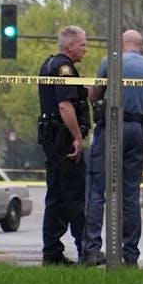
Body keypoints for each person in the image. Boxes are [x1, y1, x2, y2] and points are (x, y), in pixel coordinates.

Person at [80, 30, 143, 267]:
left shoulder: (110, 62)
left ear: (122, 44)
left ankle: (91, 250)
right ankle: (130, 254)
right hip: (137, 129)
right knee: (130, 193)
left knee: (96, 189)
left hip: (111, 128)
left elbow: (94, 95)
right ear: (140, 46)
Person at [37, 25, 90, 265]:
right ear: (70, 46)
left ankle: (52, 253)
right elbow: (65, 105)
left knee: (56, 196)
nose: (85, 50)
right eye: (82, 45)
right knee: (75, 196)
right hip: (64, 140)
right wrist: (77, 137)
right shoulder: (64, 68)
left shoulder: (49, 65)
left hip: (52, 139)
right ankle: (86, 251)